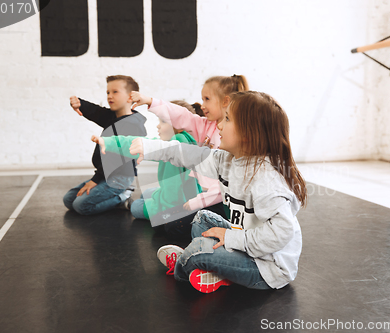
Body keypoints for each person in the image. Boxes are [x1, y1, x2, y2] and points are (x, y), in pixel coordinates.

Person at [94, 91, 307, 293]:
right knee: (201, 219)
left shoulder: (266, 180)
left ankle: (186, 263)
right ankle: (217, 271)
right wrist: (146, 147)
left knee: (198, 252)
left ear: (249, 135)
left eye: (227, 120)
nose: (219, 125)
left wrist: (232, 239)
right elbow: (185, 154)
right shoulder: (227, 160)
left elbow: (281, 233)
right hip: (245, 242)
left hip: (266, 267)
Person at [130, 74, 249, 214]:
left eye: (207, 99)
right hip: (201, 192)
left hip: (217, 201)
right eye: (202, 99)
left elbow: (224, 184)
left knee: (139, 207)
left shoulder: (233, 137)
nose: (203, 105)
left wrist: (198, 201)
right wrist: (150, 101)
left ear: (225, 101)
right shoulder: (207, 125)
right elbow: (181, 115)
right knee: (147, 193)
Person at [93, 101, 202, 228]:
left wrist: (164, 215)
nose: (158, 126)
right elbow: (140, 143)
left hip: (177, 206)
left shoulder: (174, 148)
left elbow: (173, 196)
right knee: (145, 194)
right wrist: (110, 141)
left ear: (180, 125)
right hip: (190, 197)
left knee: (135, 206)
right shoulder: (186, 140)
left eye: (163, 122)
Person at [63, 75, 147, 215]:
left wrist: (95, 180)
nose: (109, 96)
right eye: (108, 92)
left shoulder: (132, 126)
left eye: (115, 92)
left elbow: (115, 161)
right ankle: (113, 195)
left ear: (130, 97)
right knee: (68, 200)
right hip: (106, 175)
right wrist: (80, 104)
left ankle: (123, 197)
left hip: (119, 177)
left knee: (80, 206)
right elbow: (97, 112)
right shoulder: (113, 118)